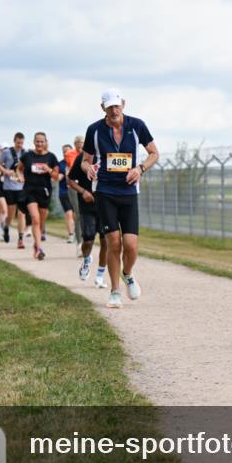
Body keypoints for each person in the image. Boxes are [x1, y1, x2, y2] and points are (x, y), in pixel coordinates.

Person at [81, 88, 158, 309]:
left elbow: (154, 153)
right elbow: (85, 160)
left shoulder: (136, 126)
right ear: (102, 108)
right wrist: (88, 169)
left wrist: (140, 168)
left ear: (123, 104)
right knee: (113, 243)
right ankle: (115, 291)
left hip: (129, 192)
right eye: (109, 107)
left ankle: (128, 274)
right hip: (105, 191)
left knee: (131, 245)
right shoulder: (94, 130)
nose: (114, 110)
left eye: (117, 105)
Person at [67, 146, 109, 288]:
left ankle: (100, 276)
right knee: (89, 240)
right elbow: (70, 180)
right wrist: (83, 191)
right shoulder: (82, 158)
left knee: (106, 241)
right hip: (87, 207)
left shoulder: (111, 157)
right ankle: (86, 260)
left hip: (107, 207)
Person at [16, 132, 60, 260]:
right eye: (37, 141)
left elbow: (56, 176)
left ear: (46, 142)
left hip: (44, 191)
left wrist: (49, 170)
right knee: (35, 219)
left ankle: (36, 245)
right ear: (34, 142)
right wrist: (20, 176)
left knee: (40, 222)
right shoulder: (27, 156)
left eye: (42, 141)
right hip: (30, 191)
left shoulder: (51, 157)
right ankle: (39, 250)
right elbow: (19, 168)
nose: (39, 143)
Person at [0, 133, 29, 249]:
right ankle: (6, 227)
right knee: (11, 213)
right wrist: (6, 171)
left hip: (22, 187)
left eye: (21, 143)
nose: (20, 145)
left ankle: (20, 238)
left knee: (22, 213)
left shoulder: (26, 153)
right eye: (18, 143)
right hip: (9, 187)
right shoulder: (7, 152)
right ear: (14, 141)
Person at [66, 135, 85, 250]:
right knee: (78, 213)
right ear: (75, 144)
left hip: (86, 185)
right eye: (78, 143)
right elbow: (75, 166)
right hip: (74, 186)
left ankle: (87, 238)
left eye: (82, 143)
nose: (80, 145)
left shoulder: (88, 154)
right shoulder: (70, 154)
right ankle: (79, 242)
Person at [58, 145, 76, 243]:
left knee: (76, 214)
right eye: (64, 152)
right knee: (68, 214)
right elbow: (58, 176)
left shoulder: (76, 162)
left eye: (68, 151)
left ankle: (77, 232)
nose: (66, 153)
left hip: (76, 192)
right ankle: (71, 235)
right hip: (64, 192)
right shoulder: (60, 164)